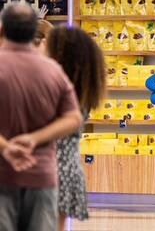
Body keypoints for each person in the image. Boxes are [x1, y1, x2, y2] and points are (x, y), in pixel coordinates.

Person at [0, 3, 82, 231]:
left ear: (3, 29)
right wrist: (34, 139)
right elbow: (73, 118)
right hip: (42, 173)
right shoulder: (53, 71)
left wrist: (6, 147)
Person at [46, 26, 106, 231]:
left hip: (50, 170)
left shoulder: (60, 92)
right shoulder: (81, 91)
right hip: (66, 169)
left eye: (46, 45)